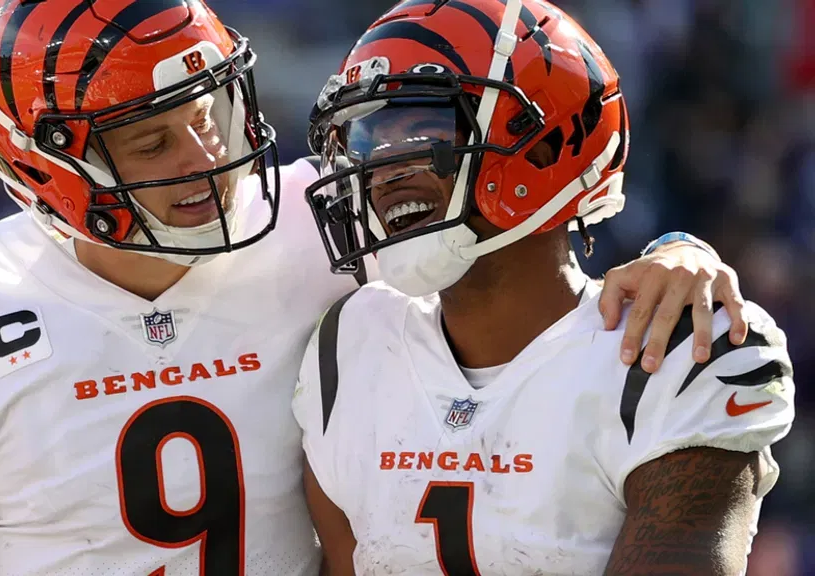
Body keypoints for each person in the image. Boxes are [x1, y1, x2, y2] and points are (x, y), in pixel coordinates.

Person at [0, 0, 754, 574]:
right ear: (51, 162)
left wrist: (678, 249)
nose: (204, 160)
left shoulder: (325, 218)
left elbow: (526, 220)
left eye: (210, 114)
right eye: (152, 141)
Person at [292, 0, 795, 575]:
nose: (380, 169)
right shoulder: (353, 341)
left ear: (543, 146)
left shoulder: (675, 348)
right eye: (368, 140)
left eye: (421, 130)